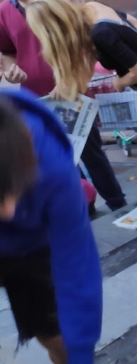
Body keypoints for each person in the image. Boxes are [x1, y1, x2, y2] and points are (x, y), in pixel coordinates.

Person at [27, 0, 137, 238]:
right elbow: (128, 32)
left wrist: (118, 82)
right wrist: (59, 93)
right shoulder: (91, 10)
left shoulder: (99, 33)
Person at [0, 0, 127, 213]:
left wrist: (69, 79)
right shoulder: (4, 12)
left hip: (71, 92)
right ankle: (83, 203)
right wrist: (10, 70)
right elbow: (8, 52)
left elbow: (84, 47)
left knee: (90, 152)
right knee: (58, 157)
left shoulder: (59, 2)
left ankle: (117, 203)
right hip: (34, 96)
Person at [0, 90, 103, 364]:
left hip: (34, 248)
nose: (9, 213)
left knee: (56, 337)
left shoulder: (54, 170)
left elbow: (77, 270)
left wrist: (80, 352)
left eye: (13, 192)